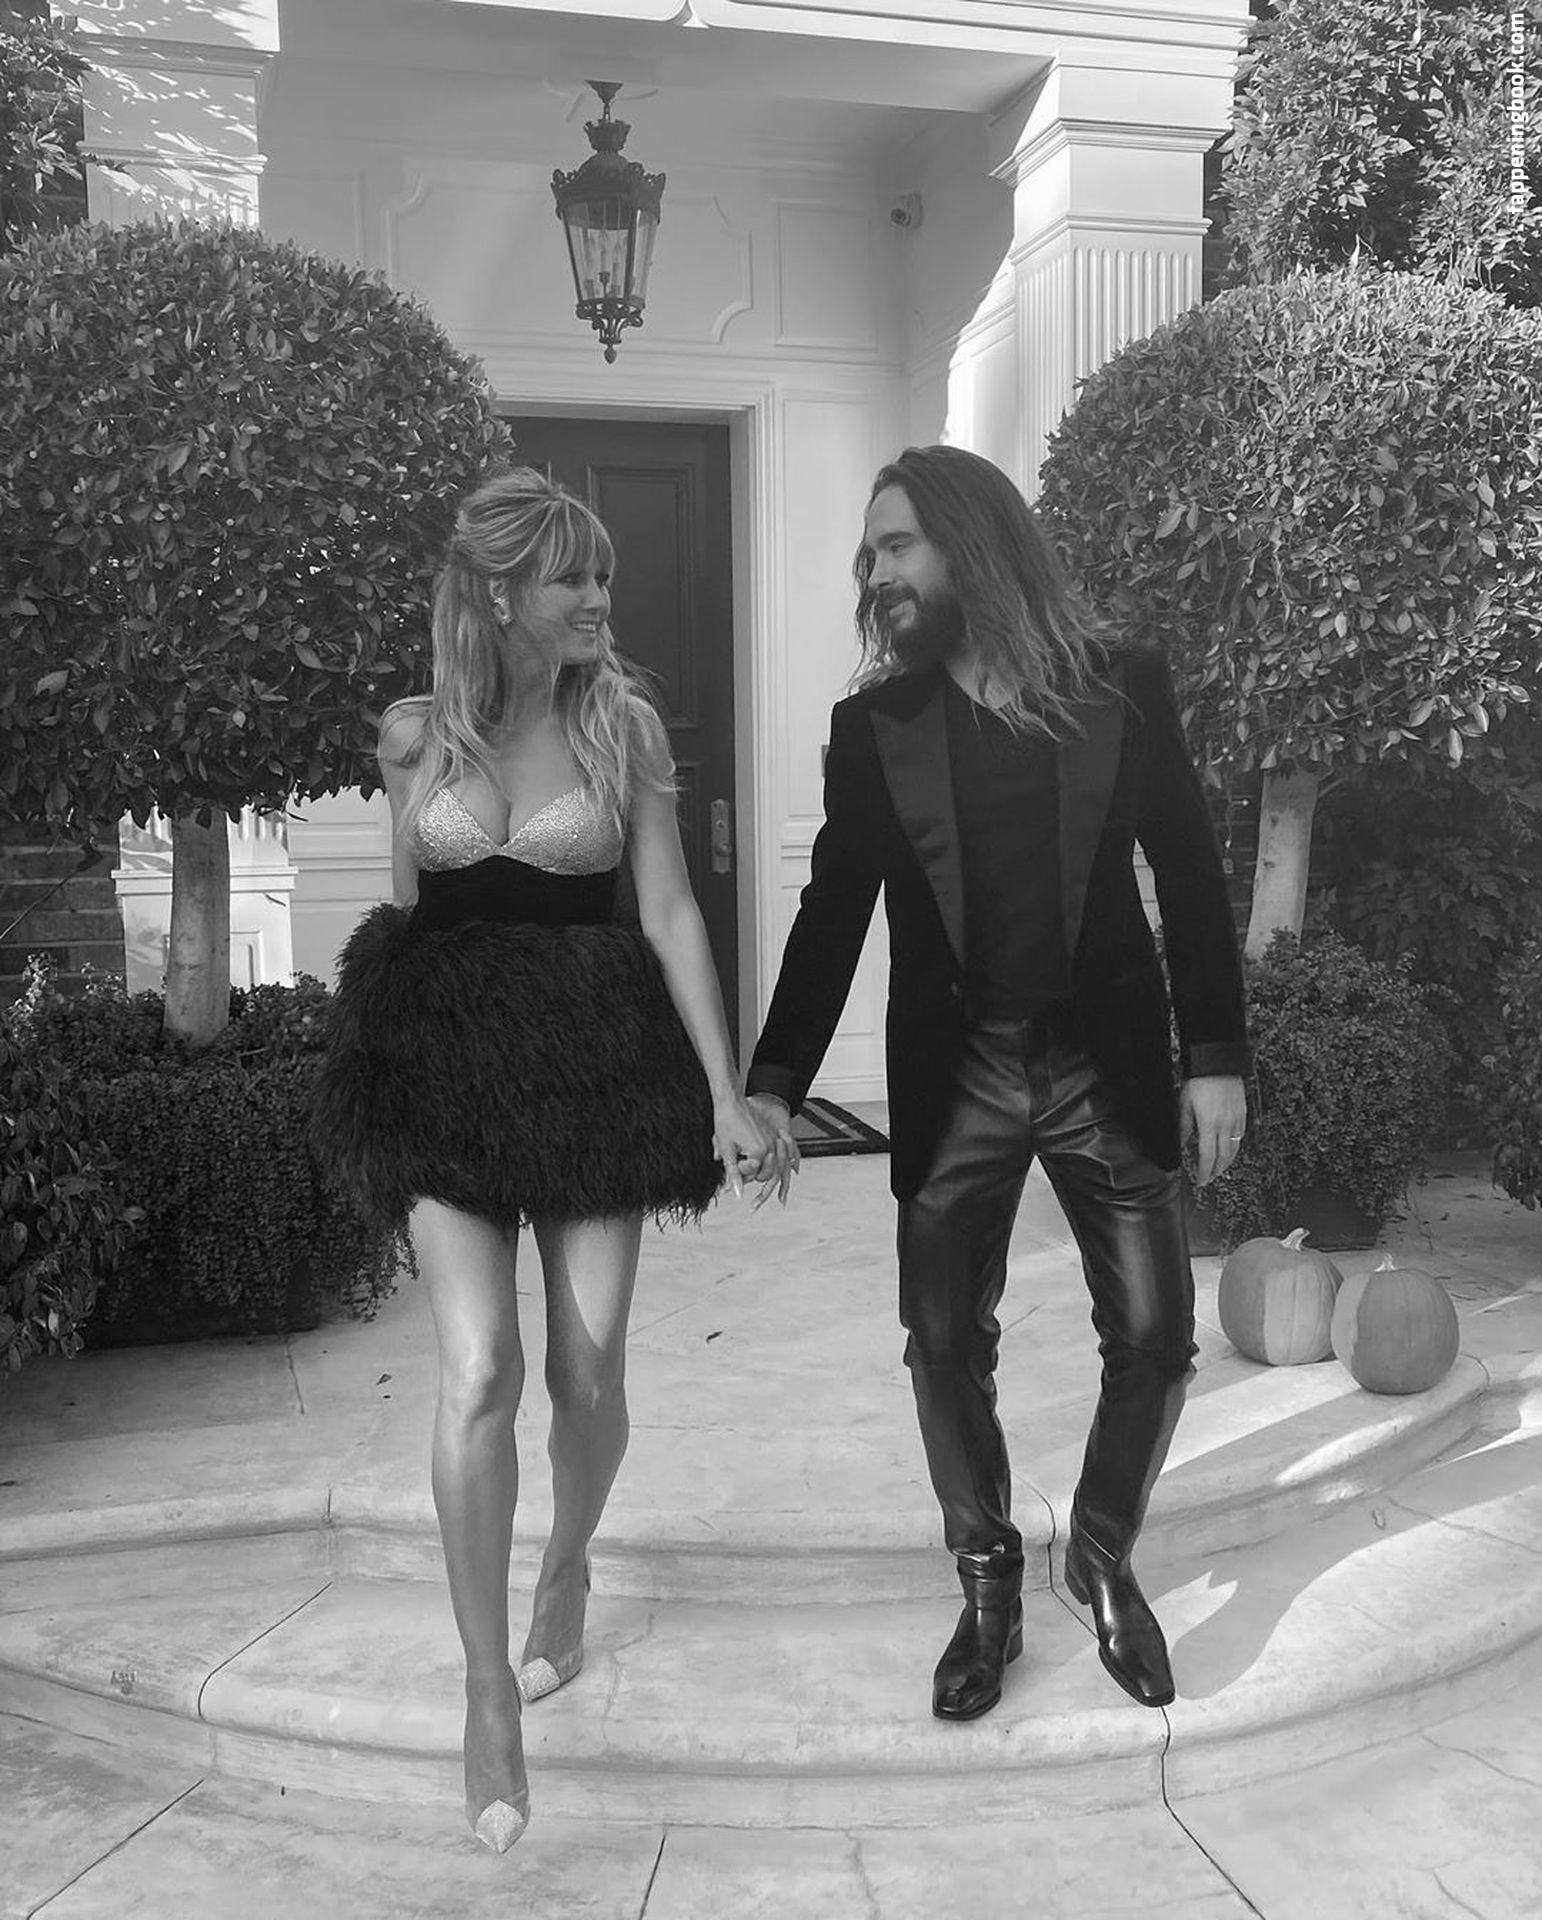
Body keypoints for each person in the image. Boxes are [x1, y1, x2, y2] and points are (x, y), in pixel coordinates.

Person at [743, 445, 1249, 1721]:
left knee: (1156, 1339)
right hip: (957, 1068)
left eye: (896, 546)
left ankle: (1102, 1553)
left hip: (1100, 1061)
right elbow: (831, 914)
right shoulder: (876, 728)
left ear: (970, 543)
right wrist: (776, 1083)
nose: (875, 574)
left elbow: (1191, 873)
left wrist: (1216, 1058)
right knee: (943, 1342)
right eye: (869, 554)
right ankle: (988, 1581)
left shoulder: (1119, 684)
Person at [310, 468, 774, 1852]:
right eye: (573, 577)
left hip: (593, 1075)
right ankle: (484, 1695)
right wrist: (381, 1070)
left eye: (604, 577)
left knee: (587, 1370)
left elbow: (670, 911)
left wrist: (725, 1093)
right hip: (446, 1076)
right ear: (502, 590)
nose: (598, 601)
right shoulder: (414, 736)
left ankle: (565, 1567)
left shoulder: (620, 725)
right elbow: (409, 921)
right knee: (479, 1373)